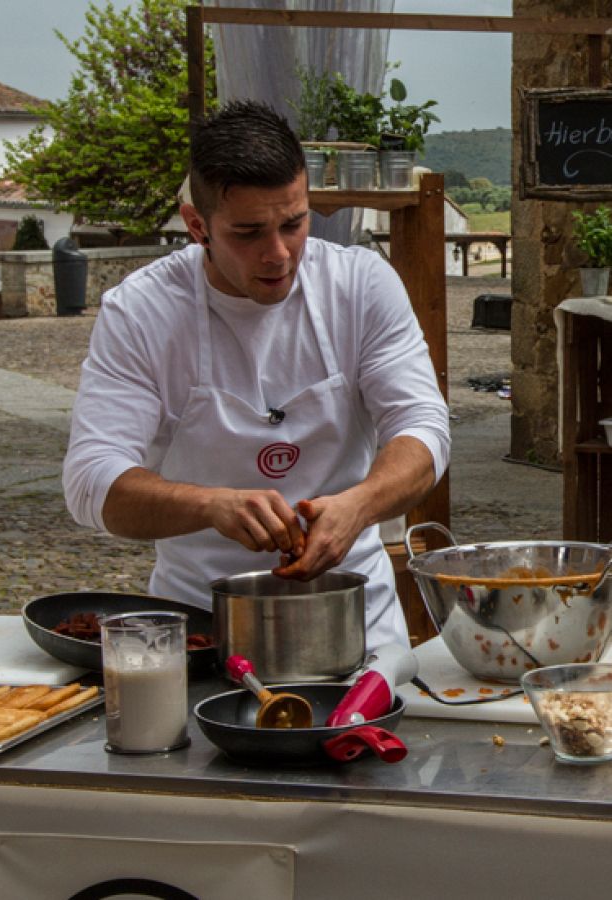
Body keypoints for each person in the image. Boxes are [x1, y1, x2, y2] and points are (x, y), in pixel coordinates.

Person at [62, 100, 450, 651]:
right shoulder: (141, 311)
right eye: (248, 233)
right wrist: (211, 505)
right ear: (197, 225)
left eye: (294, 224)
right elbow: (91, 481)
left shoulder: (361, 286)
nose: (278, 254)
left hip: (356, 621)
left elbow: (424, 428)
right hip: (201, 626)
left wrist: (357, 505)